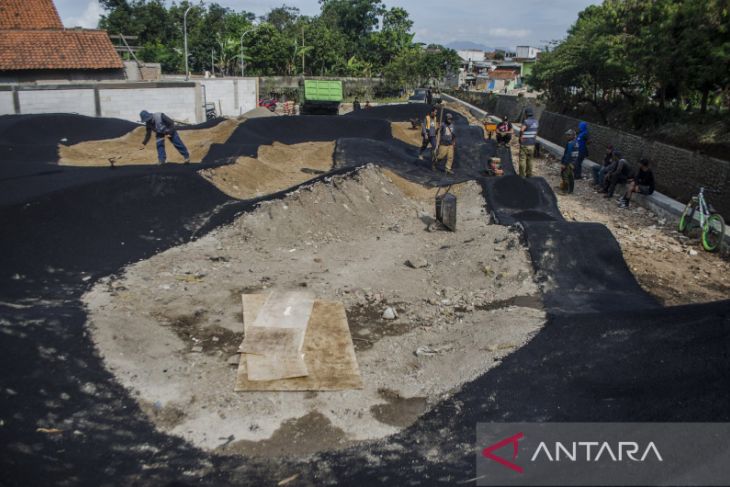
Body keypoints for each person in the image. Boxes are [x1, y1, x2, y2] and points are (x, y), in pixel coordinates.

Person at [518, 107, 539, 177]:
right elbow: (536, 133)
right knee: (530, 159)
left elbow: (521, 130)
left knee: (522, 159)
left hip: (525, 143)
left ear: (526, 114)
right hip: (532, 144)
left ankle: (522, 175)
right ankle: (529, 174)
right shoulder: (536, 122)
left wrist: (520, 137)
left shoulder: (526, 121)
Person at [560, 129, 578, 194]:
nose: (567, 136)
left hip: (568, 163)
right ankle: (571, 190)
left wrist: (564, 164)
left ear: (572, 136)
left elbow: (568, 154)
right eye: (567, 135)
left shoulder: (570, 143)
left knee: (565, 176)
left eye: (568, 135)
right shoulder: (576, 142)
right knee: (571, 177)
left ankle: (565, 190)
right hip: (573, 163)